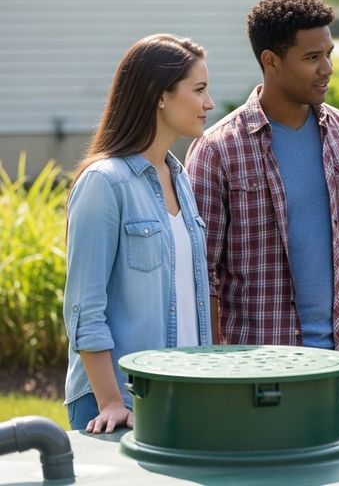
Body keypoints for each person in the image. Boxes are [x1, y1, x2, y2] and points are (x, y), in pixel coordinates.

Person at [185, 0, 339, 407]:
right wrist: (214, 365)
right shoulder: (218, 150)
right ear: (271, 61)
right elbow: (202, 273)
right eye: (312, 58)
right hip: (261, 375)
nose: (327, 69)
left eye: (329, 54)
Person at [64, 34, 215, 433]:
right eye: (198, 90)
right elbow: (84, 308)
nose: (209, 103)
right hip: (119, 408)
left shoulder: (180, 178)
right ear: (159, 95)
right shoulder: (104, 183)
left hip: (183, 398)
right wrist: (112, 401)